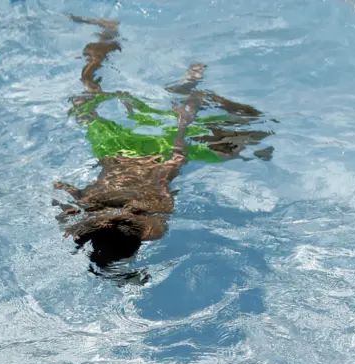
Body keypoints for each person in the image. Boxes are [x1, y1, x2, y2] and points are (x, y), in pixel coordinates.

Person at [52, 15, 274, 274]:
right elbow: (62, 190)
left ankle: (195, 92)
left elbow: (172, 165)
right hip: (114, 149)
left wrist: (184, 124)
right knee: (88, 92)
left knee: (257, 128)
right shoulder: (83, 225)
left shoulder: (153, 228)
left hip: (157, 152)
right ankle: (108, 32)